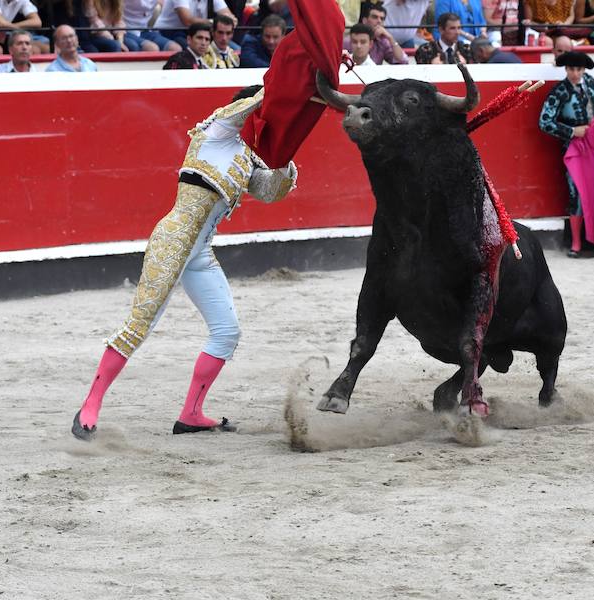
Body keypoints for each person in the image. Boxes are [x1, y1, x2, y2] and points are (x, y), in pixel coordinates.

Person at [71, 0, 346, 442]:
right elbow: (261, 102)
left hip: (199, 252)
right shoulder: (216, 130)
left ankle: (192, 413)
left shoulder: (244, 159)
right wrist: (284, 86)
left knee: (227, 331)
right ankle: (90, 406)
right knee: (140, 324)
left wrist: (287, 160)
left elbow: (271, 192)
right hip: (175, 237)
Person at [538, 51, 594, 258]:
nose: (575, 73)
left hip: (593, 145)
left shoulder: (590, 84)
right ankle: (576, 243)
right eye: (571, 69)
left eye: (579, 69)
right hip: (572, 147)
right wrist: (571, 132)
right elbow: (544, 122)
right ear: (566, 69)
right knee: (576, 192)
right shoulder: (559, 91)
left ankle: (592, 240)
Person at [341, 3, 408, 64]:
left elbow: (402, 61)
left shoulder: (383, 41)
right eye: (375, 17)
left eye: (382, 19)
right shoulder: (349, 40)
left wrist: (390, 37)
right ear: (365, 20)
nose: (379, 21)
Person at [154, 0, 235, 50]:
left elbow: (230, 18)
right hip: (168, 32)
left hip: (196, 33)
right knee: (194, 52)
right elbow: (187, 20)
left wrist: (230, 20)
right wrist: (216, 22)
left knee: (237, 50)